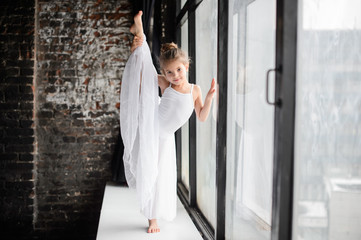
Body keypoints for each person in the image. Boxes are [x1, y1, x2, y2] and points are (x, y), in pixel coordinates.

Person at [120, 11, 215, 234]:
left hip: (166, 138)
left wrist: (210, 98)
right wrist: (136, 52)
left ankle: (139, 31)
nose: (175, 75)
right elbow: (142, 73)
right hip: (152, 130)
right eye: (170, 72)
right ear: (164, 73)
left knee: (161, 176)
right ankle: (140, 32)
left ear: (187, 67)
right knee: (152, 174)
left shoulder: (195, 90)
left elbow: (201, 117)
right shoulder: (165, 84)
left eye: (179, 70)